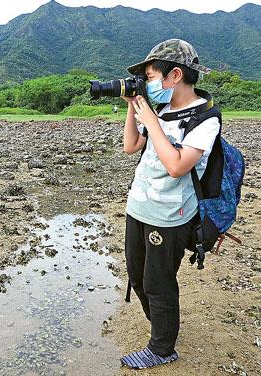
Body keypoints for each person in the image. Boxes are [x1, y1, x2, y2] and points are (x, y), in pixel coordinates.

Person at [120, 39, 220, 369]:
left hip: (170, 216)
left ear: (174, 75)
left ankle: (162, 348)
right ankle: (163, 327)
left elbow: (177, 165)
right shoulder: (160, 111)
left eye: (150, 77)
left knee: (158, 283)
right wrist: (135, 110)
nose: (147, 84)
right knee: (137, 277)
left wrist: (150, 119)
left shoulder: (205, 120)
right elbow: (131, 147)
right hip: (139, 208)